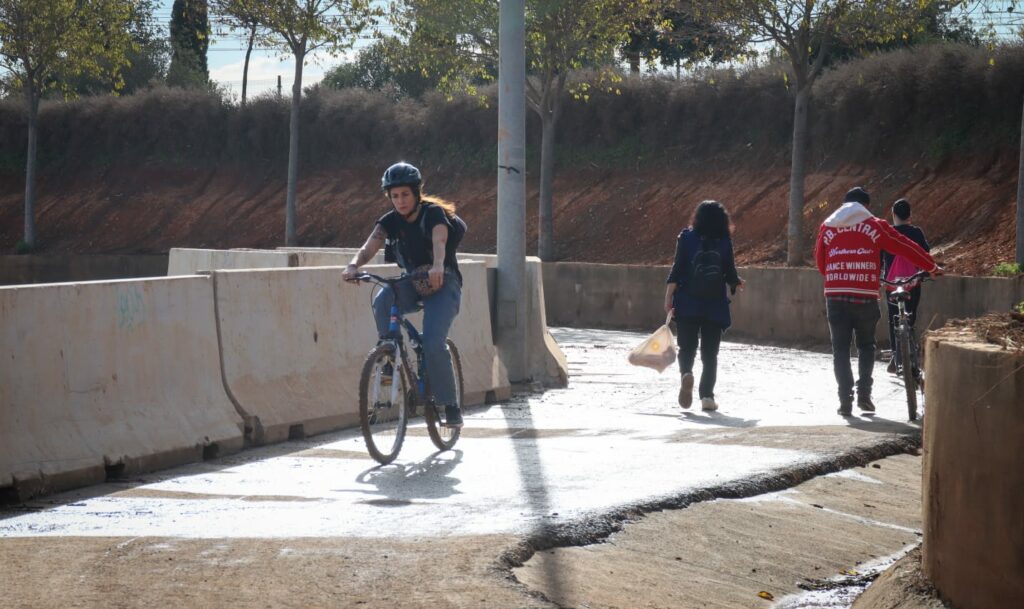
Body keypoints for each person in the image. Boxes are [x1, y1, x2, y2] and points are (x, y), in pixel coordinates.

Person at [342, 162, 465, 428]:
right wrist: (353, 265)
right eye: (394, 196)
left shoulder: (433, 214)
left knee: (433, 342)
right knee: (383, 298)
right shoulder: (389, 221)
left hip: (443, 282)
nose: (400, 201)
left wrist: (437, 266)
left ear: (416, 193)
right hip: (414, 281)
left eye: (405, 194)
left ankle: (450, 405)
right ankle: (389, 352)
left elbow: (439, 241)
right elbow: (370, 245)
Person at [814, 187, 940, 417]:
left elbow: (821, 264)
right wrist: (931, 266)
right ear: (865, 206)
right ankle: (864, 395)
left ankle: (845, 401)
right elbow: (904, 245)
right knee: (866, 346)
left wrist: (841, 272)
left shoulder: (827, 226)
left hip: (835, 295)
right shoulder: (874, 224)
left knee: (840, 349)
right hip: (864, 295)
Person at [664, 200, 744, 412]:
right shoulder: (724, 241)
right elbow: (729, 271)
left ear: (697, 217)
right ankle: (707, 397)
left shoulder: (686, 238)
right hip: (714, 305)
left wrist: (668, 297)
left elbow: (678, 268)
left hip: (688, 302)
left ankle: (686, 373)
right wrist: (736, 282)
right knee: (710, 354)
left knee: (687, 348)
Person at [881, 198, 930, 373]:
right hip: (913, 283)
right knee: (910, 317)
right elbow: (926, 254)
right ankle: (910, 352)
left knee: (893, 318)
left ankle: (896, 355)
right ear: (910, 215)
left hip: (892, 285)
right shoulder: (916, 232)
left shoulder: (887, 233)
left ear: (893, 214)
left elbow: (879, 259)